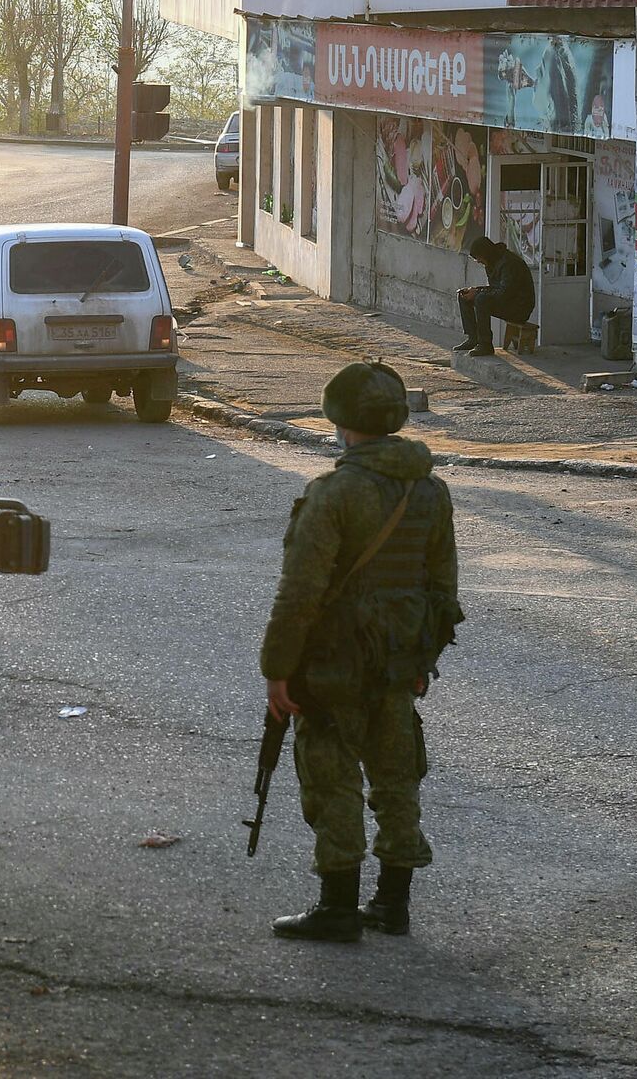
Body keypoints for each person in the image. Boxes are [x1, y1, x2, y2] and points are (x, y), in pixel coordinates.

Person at [259, 361, 464, 942]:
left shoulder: (333, 494)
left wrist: (278, 670)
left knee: (332, 774)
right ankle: (392, 903)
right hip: (400, 658)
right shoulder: (430, 490)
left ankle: (338, 906)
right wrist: (424, 659)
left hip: (334, 663)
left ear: (341, 422)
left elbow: (300, 593)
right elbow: (442, 586)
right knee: (397, 775)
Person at [456, 236, 534, 357]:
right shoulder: (492, 263)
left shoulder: (510, 263)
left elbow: (505, 293)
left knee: (481, 299)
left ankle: (485, 344)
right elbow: (495, 289)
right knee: (464, 296)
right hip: (507, 301)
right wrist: (475, 290)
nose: (479, 262)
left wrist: (478, 293)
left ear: (486, 253)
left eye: (479, 258)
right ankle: (473, 338)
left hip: (520, 307)